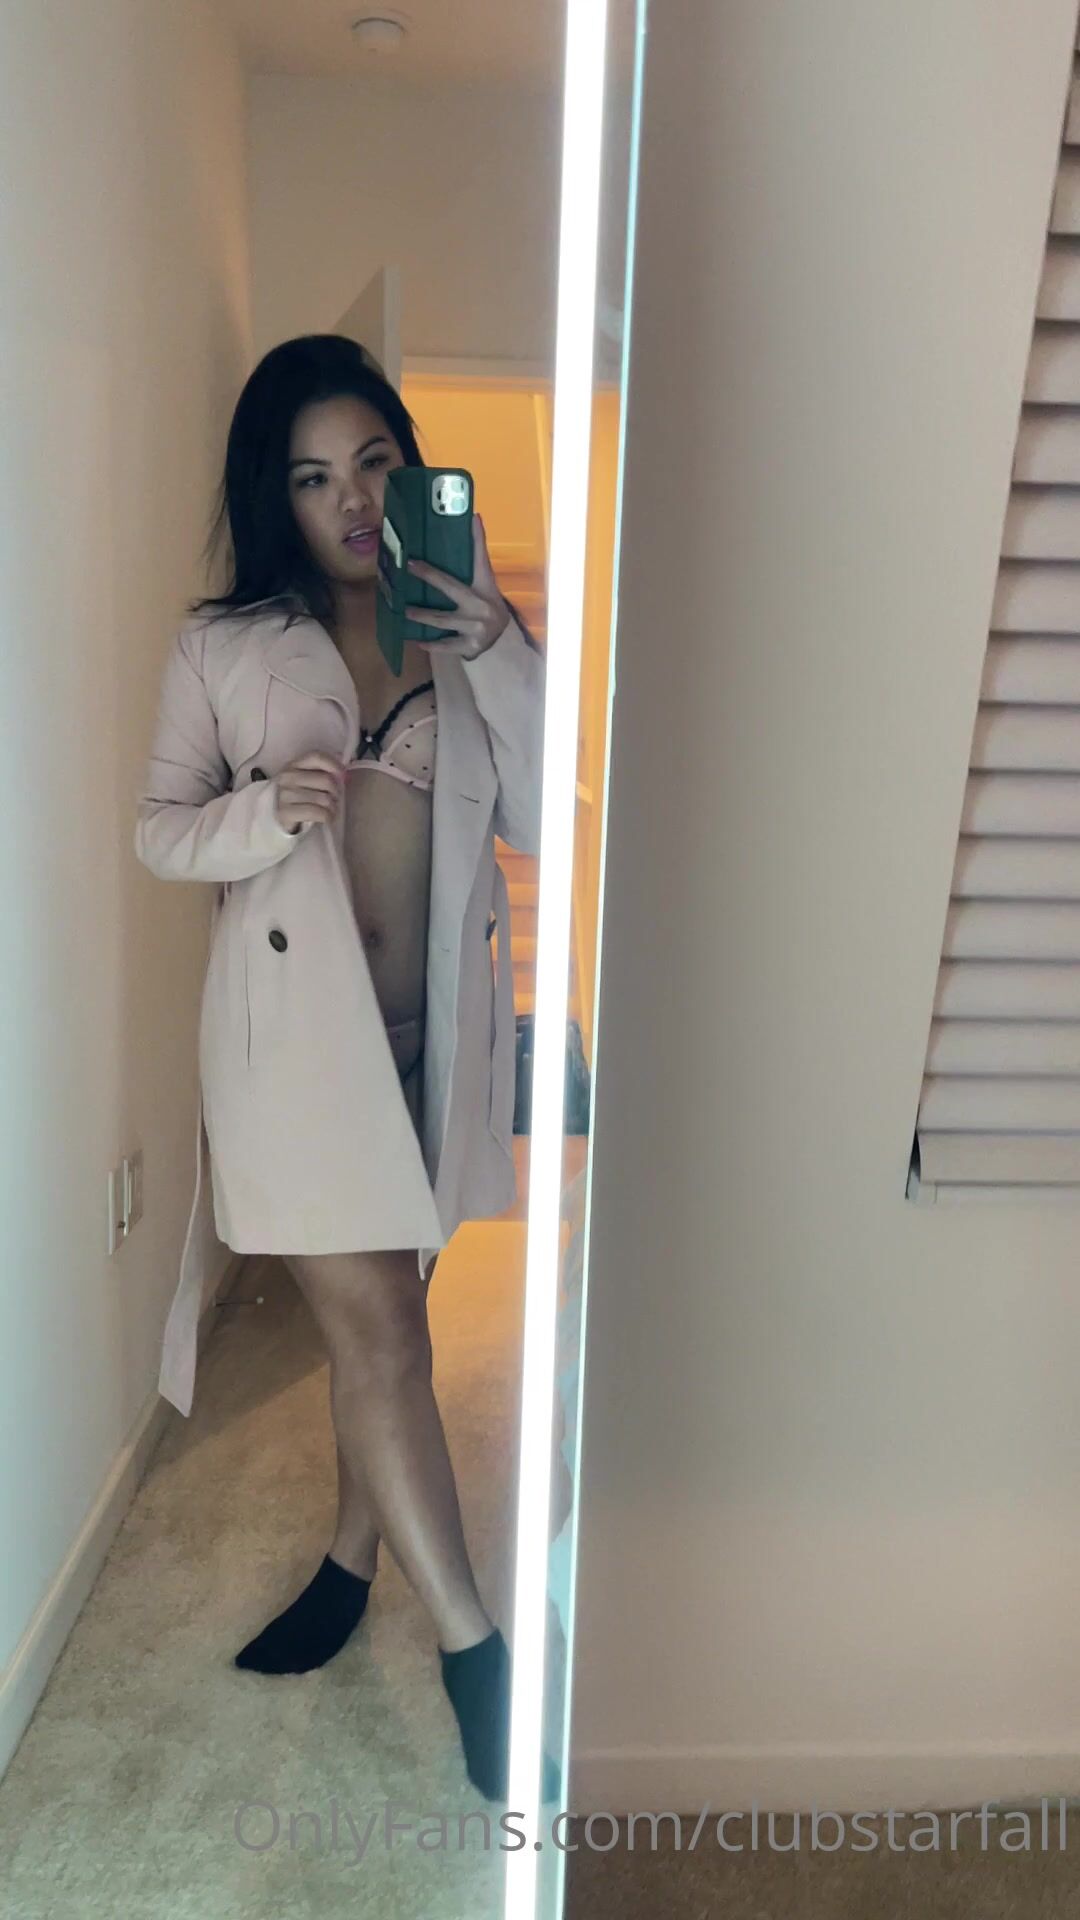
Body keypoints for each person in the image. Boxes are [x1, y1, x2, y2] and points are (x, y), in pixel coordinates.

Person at [134, 333, 548, 1801]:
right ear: (278, 497)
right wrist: (263, 813)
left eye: (375, 462)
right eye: (314, 478)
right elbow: (159, 830)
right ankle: (478, 1656)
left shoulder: (467, 630)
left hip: (432, 1052)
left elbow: (547, 820)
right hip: (295, 1061)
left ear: (412, 466)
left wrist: (500, 644)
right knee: (383, 1340)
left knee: (395, 1338)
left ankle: (349, 1562)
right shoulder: (224, 646)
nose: (354, 501)